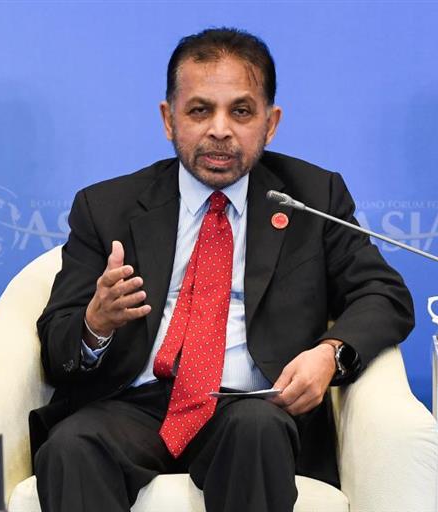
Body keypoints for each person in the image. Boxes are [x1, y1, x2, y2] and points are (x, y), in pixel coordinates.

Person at [32, 27, 414, 512]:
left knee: (257, 428)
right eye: (199, 110)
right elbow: (57, 345)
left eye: (241, 111)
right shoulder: (106, 207)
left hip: (253, 404)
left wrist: (329, 355)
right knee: (71, 446)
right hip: (136, 405)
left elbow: (383, 293)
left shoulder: (312, 198)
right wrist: (95, 324)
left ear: (270, 123)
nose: (220, 130)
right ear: (168, 119)